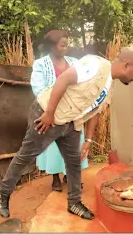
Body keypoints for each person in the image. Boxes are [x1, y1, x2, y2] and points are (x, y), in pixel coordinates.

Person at [0, 50, 133, 220]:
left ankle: (74, 203)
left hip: (71, 124)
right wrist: (49, 113)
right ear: (125, 65)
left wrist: (88, 140)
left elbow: (96, 113)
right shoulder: (95, 64)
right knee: (26, 156)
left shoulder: (111, 86)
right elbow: (64, 79)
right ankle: (3, 194)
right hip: (47, 117)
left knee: (73, 164)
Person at [32, 30, 88, 192]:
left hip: (73, 110)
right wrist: (52, 107)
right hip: (51, 111)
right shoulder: (41, 64)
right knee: (54, 146)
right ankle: (55, 176)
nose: (65, 48)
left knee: (73, 144)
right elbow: (38, 88)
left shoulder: (74, 62)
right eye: (62, 45)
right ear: (52, 46)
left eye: (66, 45)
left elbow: (83, 83)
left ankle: (69, 175)